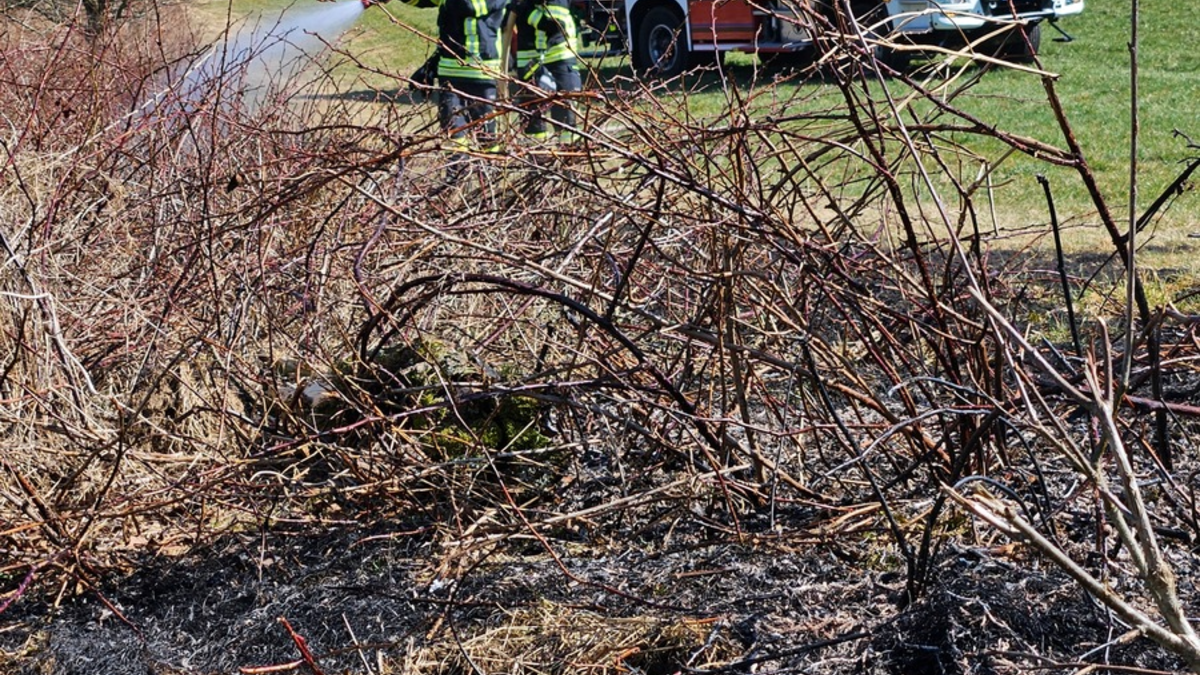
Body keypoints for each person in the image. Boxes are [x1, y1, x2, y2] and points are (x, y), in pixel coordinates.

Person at [364, 0, 506, 153]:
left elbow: (468, 7)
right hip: (449, 74)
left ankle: (492, 171)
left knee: (487, 137)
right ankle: (456, 174)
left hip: (482, 74)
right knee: (453, 134)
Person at [505, 0, 581, 142]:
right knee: (533, 121)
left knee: (565, 118)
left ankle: (570, 155)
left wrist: (525, 9)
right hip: (530, 62)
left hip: (559, 60)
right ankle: (537, 157)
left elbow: (553, 26)